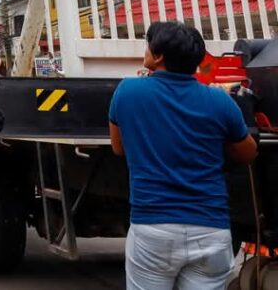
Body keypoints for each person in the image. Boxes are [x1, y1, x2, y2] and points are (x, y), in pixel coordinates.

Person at [109, 21, 257, 290]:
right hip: (211, 228)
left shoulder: (127, 92)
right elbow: (247, 153)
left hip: (153, 227)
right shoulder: (220, 101)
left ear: (159, 55)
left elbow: (119, 148)